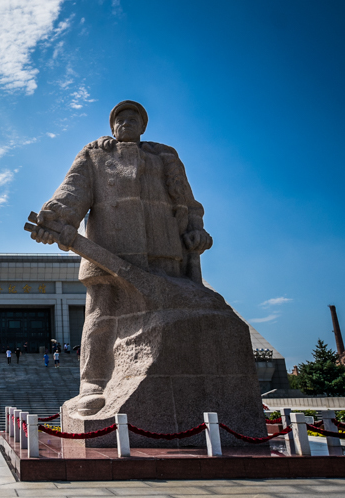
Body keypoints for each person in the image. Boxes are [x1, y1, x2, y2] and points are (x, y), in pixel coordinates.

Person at [30, 100, 211, 415]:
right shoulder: (95, 154)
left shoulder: (165, 156)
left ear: (143, 126)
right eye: (120, 118)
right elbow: (72, 193)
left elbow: (186, 201)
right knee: (102, 317)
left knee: (167, 316)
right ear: (112, 125)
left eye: (133, 118)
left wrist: (195, 230)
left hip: (164, 248)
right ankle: (94, 384)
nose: (126, 122)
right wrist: (55, 220)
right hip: (107, 250)